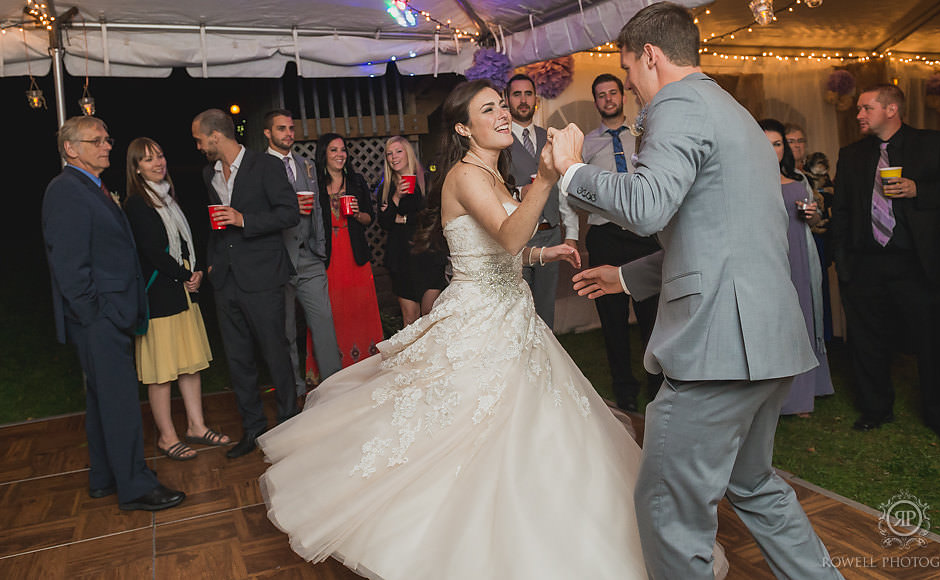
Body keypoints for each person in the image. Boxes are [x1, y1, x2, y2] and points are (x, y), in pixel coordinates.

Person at [257, 79, 728, 579]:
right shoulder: (465, 175)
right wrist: (547, 178)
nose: (504, 114)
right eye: (490, 109)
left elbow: (502, 247)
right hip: (478, 320)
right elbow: (506, 236)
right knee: (457, 429)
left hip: (514, 315)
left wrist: (547, 251)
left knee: (535, 427)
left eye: (503, 106)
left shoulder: (492, 172)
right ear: (464, 127)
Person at [553, 1, 839, 579]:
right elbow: (722, 235)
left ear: (650, 57)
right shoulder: (730, 110)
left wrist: (572, 170)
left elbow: (646, 204)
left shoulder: (677, 105)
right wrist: (626, 276)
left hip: (719, 346)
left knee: (666, 508)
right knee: (753, 484)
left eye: (629, 70)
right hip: (767, 338)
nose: (630, 86)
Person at [42, 116, 185, 511]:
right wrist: (96, 314)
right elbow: (69, 266)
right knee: (120, 401)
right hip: (99, 319)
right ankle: (136, 487)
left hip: (106, 315)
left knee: (103, 400)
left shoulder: (91, 187)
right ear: (71, 149)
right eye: (97, 141)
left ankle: (105, 477)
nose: (107, 146)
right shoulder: (66, 191)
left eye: (107, 140)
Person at [830, 85, 940, 444]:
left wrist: (917, 189)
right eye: (860, 109)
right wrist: (843, 264)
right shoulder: (851, 155)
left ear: (891, 109)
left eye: (866, 108)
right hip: (866, 266)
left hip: (918, 266)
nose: (859, 115)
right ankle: (876, 409)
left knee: (930, 345)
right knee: (867, 343)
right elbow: (844, 212)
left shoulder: (933, 143)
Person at [192, 108, 300, 459]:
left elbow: (289, 213)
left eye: (198, 139)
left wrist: (244, 219)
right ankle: (252, 427)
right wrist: (210, 263)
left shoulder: (266, 166)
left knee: (274, 352)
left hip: (263, 276)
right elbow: (213, 224)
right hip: (226, 279)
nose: (197, 147)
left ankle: (288, 426)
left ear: (215, 136)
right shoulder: (209, 173)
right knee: (238, 359)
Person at [123, 138, 230, 461]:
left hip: (184, 292)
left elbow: (186, 242)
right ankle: (167, 437)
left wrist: (195, 271)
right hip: (160, 297)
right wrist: (186, 276)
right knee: (162, 371)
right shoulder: (138, 203)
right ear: (136, 168)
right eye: (148, 159)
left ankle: (196, 426)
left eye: (160, 155)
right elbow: (152, 251)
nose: (158, 163)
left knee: (189, 364)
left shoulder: (168, 198)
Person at [580, 73, 662, 412]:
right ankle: (624, 390)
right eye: (601, 95)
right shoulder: (585, 144)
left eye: (613, 92)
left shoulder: (645, 136)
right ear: (596, 101)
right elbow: (572, 193)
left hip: (645, 235)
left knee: (653, 317)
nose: (608, 99)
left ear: (622, 97)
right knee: (612, 319)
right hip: (605, 235)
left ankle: (658, 387)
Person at [759, 120, 835, 416]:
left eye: (777, 144)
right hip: (766, 259)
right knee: (771, 326)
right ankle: (770, 400)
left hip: (799, 259)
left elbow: (813, 223)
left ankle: (802, 395)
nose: (772, 150)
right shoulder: (747, 179)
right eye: (765, 143)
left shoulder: (799, 179)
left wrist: (813, 215)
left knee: (801, 323)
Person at [263, 110, 342, 392]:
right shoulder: (259, 167)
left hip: (309, 258)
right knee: (284, 331)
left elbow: (318, 209)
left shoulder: (306, 165)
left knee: (324, 323)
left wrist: (320, 249)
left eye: (291, 128)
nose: (288, 133)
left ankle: (335, 386)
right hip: (278, 260)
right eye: (281, 128)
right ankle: (293, 389)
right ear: (268, 133)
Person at [505, 73, 579, 329]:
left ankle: (547, 366)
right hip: (517, 239)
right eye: (517, 94)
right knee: (519, 313)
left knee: (546, 311)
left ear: (536, 99)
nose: (523, 100)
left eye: (528, 94)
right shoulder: (500, 142)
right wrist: (518, 193)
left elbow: (563, 189)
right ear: (507, 100)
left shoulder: (550, 137)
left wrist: (571, 234)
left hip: (551, 235)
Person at [315, 132, 383, 367]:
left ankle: (366, 367)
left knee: (359, 311)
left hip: (355, 256)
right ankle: (334, 367)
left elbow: (369, 219)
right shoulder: (316, 184)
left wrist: (355, 213)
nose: (340, 154)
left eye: (342, 149)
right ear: (324, 153)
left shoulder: (356, 181)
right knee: (334, 312)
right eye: (333, 150)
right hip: (329, 258)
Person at [376, 135, 447, 327]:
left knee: (430, 316)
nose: (394, 157)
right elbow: (384, 222)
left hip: (429, 255)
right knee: (409, 320)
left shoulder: (428, 182)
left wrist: (403, 218)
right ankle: (413, 358)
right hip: (401, 259)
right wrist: (397, 197)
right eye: (389, 153)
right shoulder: (385, 188)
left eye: (398, 151)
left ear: (408, 154)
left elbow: (433, 216)